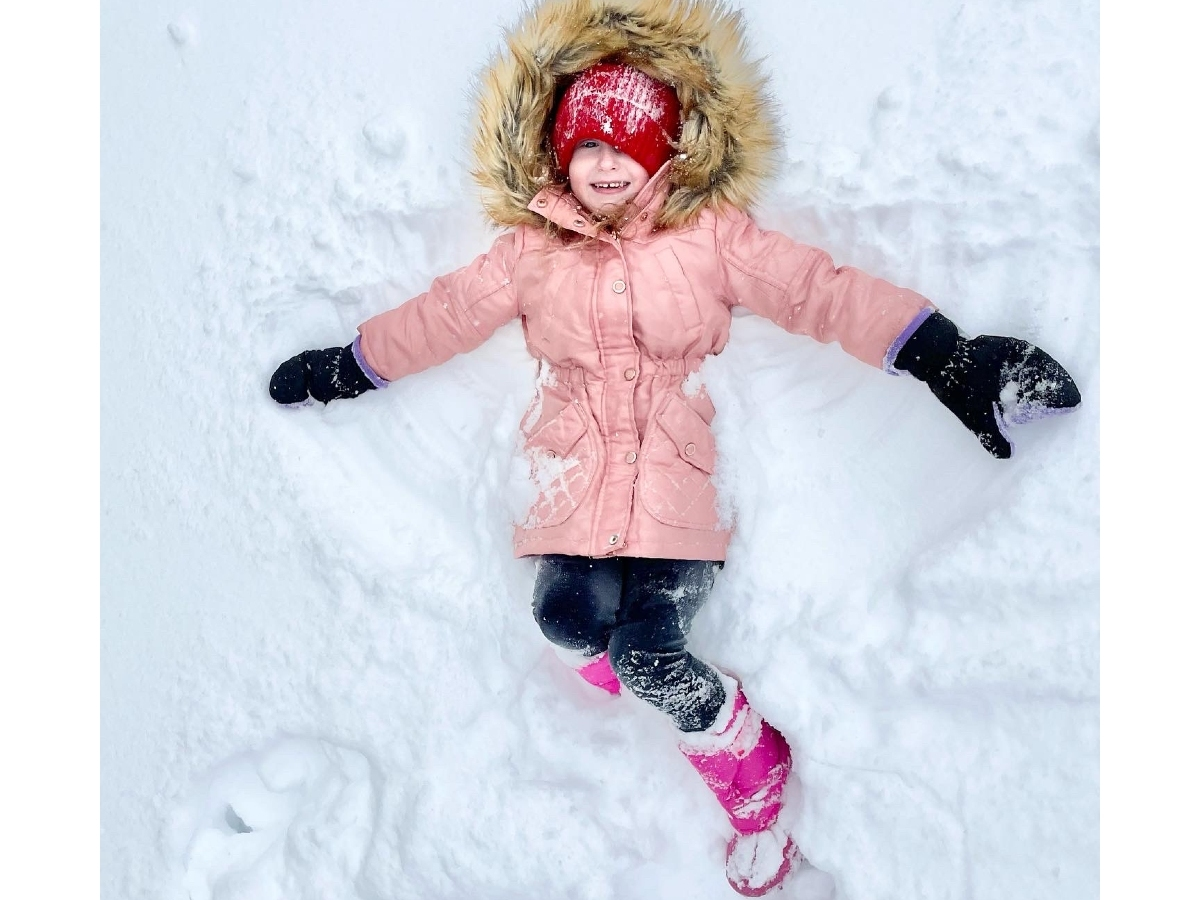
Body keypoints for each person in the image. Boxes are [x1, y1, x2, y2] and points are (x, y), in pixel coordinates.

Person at [268, 0, 1080, 894]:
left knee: (649, 656)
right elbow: (445, 314)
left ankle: (748, 770)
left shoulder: (709, 241)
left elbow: (821, 290)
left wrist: (942, 353)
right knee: (566, 623)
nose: (605, 162)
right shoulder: (530, 251)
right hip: (573, 487)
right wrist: (353, 365)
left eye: (625, 145)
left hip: (678, 496)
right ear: (556, 159)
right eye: (586, 147)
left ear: (663, 155)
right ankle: (642, 682)